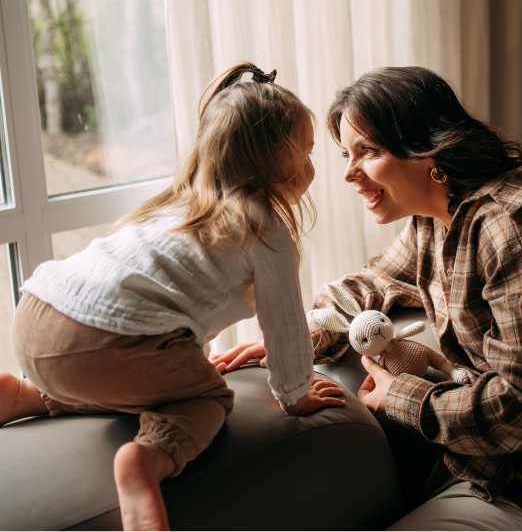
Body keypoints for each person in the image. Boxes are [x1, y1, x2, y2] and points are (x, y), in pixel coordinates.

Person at [211, 66, 522, 530]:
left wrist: (405, 397)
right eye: (344, 154)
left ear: (430, 148)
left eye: (368, 151)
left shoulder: (514, 232)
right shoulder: (436, 216)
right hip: (492, 471)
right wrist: (299, 337)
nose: (349, 174)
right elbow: (373, 283)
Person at [0, 62, 346, 531]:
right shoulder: (265, 229)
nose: (311, 165)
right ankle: (142, 466)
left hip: (39, 315)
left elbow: (155, 296)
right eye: (305, 152)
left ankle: (26, 395)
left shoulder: (177, 205)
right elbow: (283, 322)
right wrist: (296, 393)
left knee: (118, 373)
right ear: (274, 163)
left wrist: (189, 355)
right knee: (207, 399)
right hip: (102, 342)